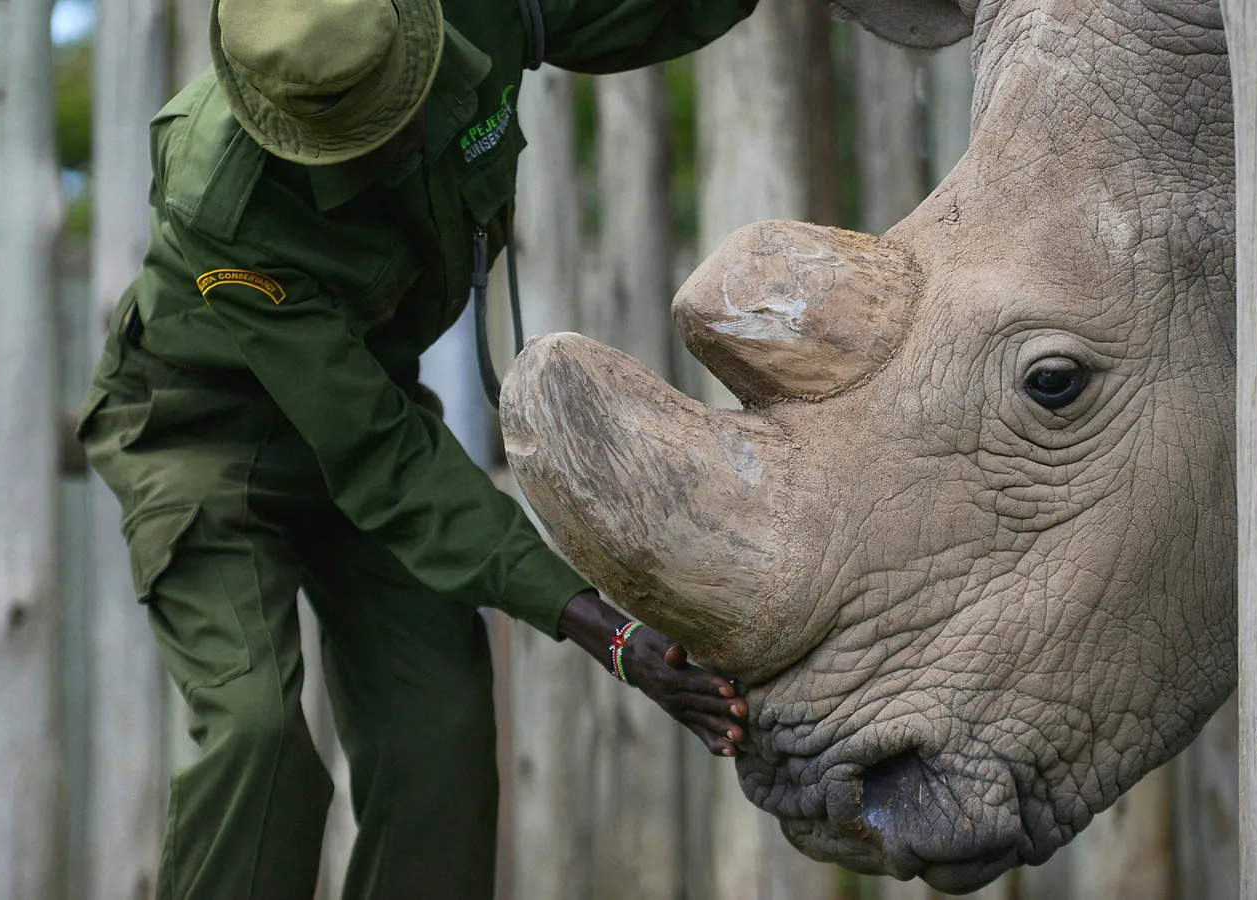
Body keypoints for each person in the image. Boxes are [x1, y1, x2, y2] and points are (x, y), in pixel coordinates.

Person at [75, 0, 759, 895]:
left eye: (396, 100)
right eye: (356, 134)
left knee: (438, 735)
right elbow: (380, 455)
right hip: (203, 436)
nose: (401, 140)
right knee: (256, 738)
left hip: (371, 404)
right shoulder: (223, 201)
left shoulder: (467, 11)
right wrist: (598, 623)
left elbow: (626, 15)